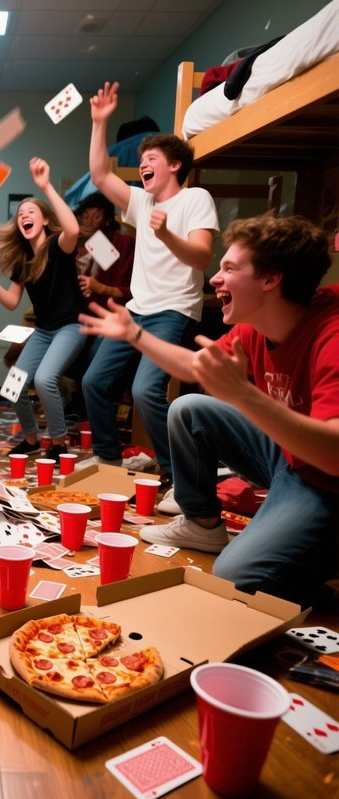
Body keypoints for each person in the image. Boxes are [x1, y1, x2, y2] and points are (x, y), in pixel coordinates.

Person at [79, 214, 339, 607]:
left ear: (271, 280)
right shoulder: (259, 325)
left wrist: (245, 396)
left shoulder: (331, 333)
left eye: (230, 268)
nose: (214, 279)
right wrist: (134, 334)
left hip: (327, 484)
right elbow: (195, 366)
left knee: (235, 576)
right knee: (189, 408)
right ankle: (203, 524)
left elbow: (334, 457)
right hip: (291, 459)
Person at [81, 81, 218, 482]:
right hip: (136, 310)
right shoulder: (141, 202)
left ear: (174, 165)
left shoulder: (196, 199)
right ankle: (109, 461)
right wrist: (98, 122)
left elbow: (202, 255)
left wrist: (166, 235)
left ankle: (177, 474)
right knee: (94, 380)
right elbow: (99, 173)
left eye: (151, 157)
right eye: (142, 159)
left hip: (174, 311)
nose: (143, 164)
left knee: (145, 391)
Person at [0, 157, 87, 463]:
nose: (24, 216)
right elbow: (12, 301)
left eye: (30, 212)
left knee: (44, 379)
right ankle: (32, 438)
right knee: (13, 385)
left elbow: (73, 228)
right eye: (20, 213)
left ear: (45, 220)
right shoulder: (23, 260)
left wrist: (45, 186)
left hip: (72, 326)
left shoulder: (57, 246)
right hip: (45, 330)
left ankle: (59, 441)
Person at [75, 192, 134, 310]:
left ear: (107, 220)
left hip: (108, 307)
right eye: (85, 217)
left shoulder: (119, 242)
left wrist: (100, 288)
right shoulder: (75, 239)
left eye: (96, 217)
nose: (89, 222)